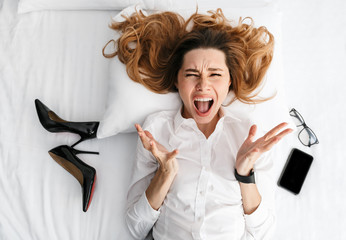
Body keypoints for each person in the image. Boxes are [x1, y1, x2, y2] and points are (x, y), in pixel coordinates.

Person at [104, 8, 292, 239]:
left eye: (215, 74)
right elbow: (135, 228)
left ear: (229, 82)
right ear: (177, 81)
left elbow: (263, 232)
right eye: (192, 74)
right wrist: (165, 173)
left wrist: (245, 174)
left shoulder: (249, 134)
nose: (203, 84)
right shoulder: (156, 132)